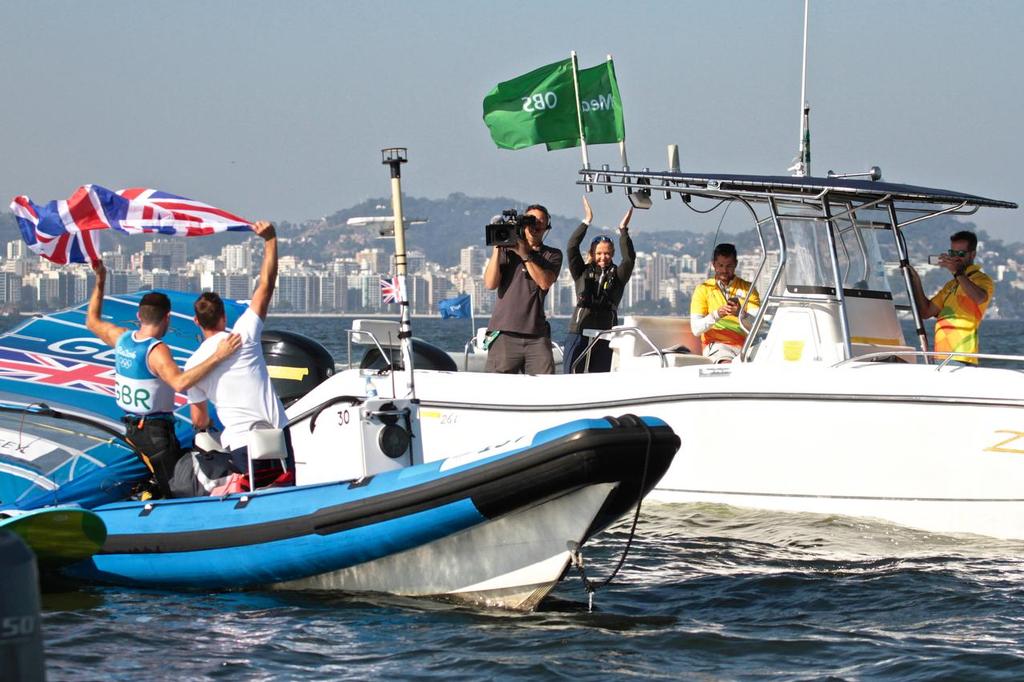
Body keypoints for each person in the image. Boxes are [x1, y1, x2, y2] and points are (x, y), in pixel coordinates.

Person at [86, 262, 241, 498]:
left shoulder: (121, 339)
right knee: (178, 489)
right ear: (168, 318)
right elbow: (180, 383)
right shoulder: (157, 351)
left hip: (131, 427)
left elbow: (92, 321)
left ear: (139, 316)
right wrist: (219, 356)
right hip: (155, 434)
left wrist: (100, 279)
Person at [186, 221, 288, 466]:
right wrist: (270, 240)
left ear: (195, 321)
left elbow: (199, 420)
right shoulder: (245, 333)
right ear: (224, 317)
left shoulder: (193, 365)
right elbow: (266, 284)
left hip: (241, 443)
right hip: (277, 436)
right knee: (286, 485)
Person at [483, 204, 563, 374]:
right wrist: (498, 247)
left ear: (547, 227)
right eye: (531, 221)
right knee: (497, 387)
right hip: (504, 331)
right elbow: (490, 284)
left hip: (536, 334)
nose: (535, 226)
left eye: (541, 222)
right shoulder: (506, 251)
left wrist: (524, 254)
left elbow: (544, 282)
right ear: (523, 224)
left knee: (545, 385)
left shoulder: (552, 255)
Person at [562, 197, 635, 373]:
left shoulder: (618, 275)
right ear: (592, 254)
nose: (604, 257)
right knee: (571, 373)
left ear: (613, 254)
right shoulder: (581, 271)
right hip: (579, 330)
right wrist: (586, 221)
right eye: (599, 253)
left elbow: (629, 259)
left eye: (608, 253)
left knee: (600, 376)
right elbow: (572, 247)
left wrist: (623, 231)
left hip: (604, 333)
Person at [907, 230, 994, 365]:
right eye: (952, 253)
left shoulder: (982, 280)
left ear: (973, 255)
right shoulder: (951, 285)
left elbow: (979, 298)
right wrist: (916, 281)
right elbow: (926, 312)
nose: (955, 258)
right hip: (940, 354)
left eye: (960, 254)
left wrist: (957, 272)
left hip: (962, 355)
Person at [689, 243, 761, 363]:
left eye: (729, 266)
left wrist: (740, 314)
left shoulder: (749, 289)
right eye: (720, 265)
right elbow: (696, 329)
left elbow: (758, 326)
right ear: (714, 265)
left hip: (746, 347)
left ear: (736, 265)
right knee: (728, 365)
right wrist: (717, 314)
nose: (724, 270)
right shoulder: (703, 289)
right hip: (718, 345)